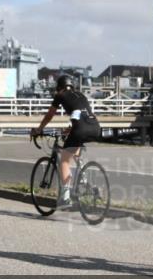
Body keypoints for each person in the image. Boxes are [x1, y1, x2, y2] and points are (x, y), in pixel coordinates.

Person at [31, 75, 102, 206]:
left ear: (60, 88)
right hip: (95, 127)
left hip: (81, 129)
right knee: (74, 151)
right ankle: (86, 184)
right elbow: (81, 114)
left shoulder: (60, 95)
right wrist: (69, 130)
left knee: (64, 160)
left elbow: (49, 116)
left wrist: (39, 129)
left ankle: (65, 197)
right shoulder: (80, 95)